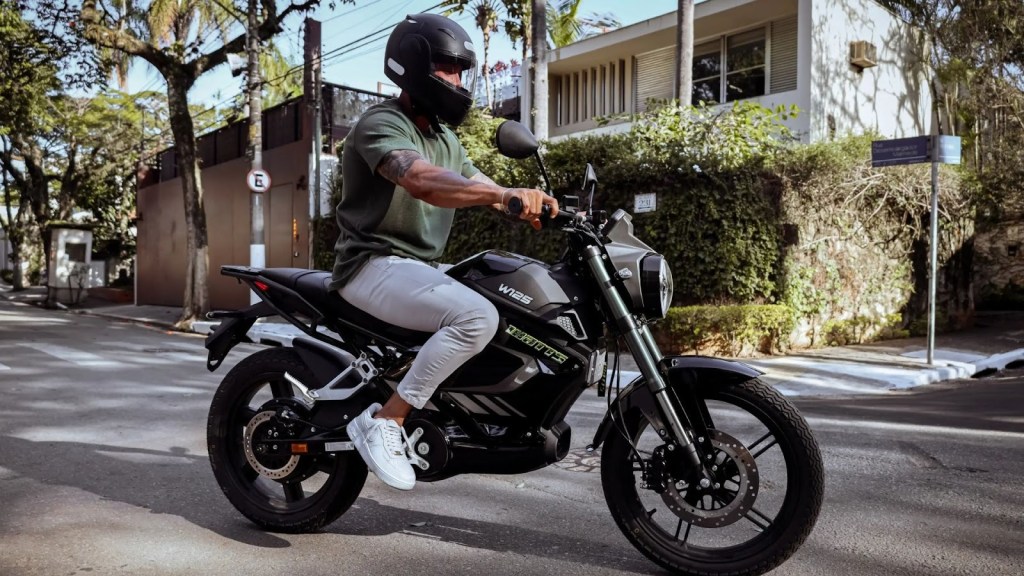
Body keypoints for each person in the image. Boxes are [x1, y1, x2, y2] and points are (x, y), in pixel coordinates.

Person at [328, 13, 559, 491]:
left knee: (509, 299)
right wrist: (500, 195)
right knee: (476, 317)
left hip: (415, 267)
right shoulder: (381, 123)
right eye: (446, 69)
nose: (457, 80)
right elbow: (420, 180)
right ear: (414, 67)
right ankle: (387, 421)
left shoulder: (446, 138)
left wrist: (531, 204)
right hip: (369, 264)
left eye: (460, 70)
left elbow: (476, 184)